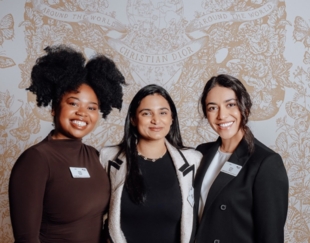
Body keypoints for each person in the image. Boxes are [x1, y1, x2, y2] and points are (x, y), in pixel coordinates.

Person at [9, 45, 125, 243]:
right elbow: (26, 238)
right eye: (73, 103)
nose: (82, 113)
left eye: (92, 107)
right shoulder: (36, 160)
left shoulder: (95, 156)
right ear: (54, 108)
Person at [190, 74, 289, 243]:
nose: (222, 115)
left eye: (230, 105)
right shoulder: (201, 153)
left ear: (245, 108)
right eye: (212, 108)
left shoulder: (265, 162)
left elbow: (271, 236)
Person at [100, 84, 202, 243]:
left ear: (172, 118)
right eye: (146, 113)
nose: (156, 120)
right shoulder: (108, 157)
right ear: (133, 119)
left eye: (163, 113)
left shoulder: (193, 160)